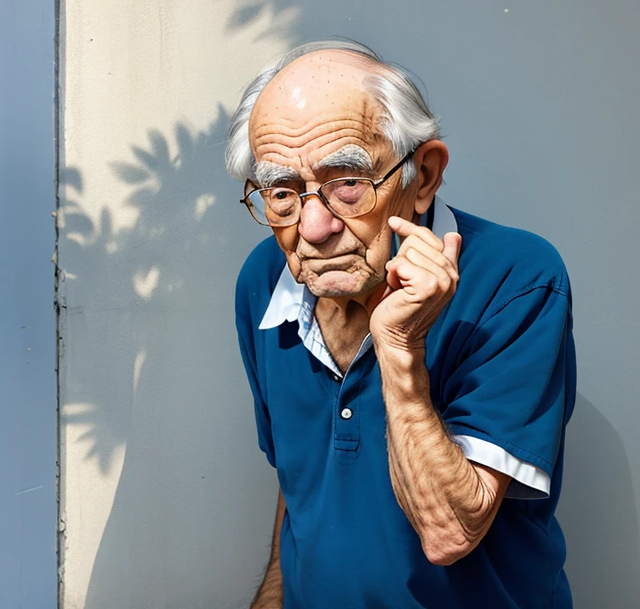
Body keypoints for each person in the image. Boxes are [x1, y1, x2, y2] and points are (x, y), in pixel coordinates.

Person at [227, 39, 576, 608]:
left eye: (346, 183)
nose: (312, 227)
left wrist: (399, 347)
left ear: (425, 175)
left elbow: (451, 533)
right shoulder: (264, 281)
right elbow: (300, 485)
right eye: (282, 192)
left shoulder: (519, 279)